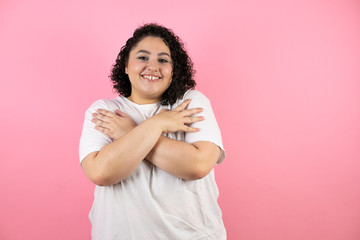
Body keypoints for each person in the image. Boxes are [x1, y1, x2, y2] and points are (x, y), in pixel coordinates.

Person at [79, 23, 226, 240]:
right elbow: (100, 172)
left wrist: (129, 131)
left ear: (173, 70)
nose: (153, 66)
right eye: (143, 57)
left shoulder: (191, 102)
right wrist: (158, 124)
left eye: (163, 60)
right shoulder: (104, 111)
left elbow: (198, 164)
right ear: (126, 66)